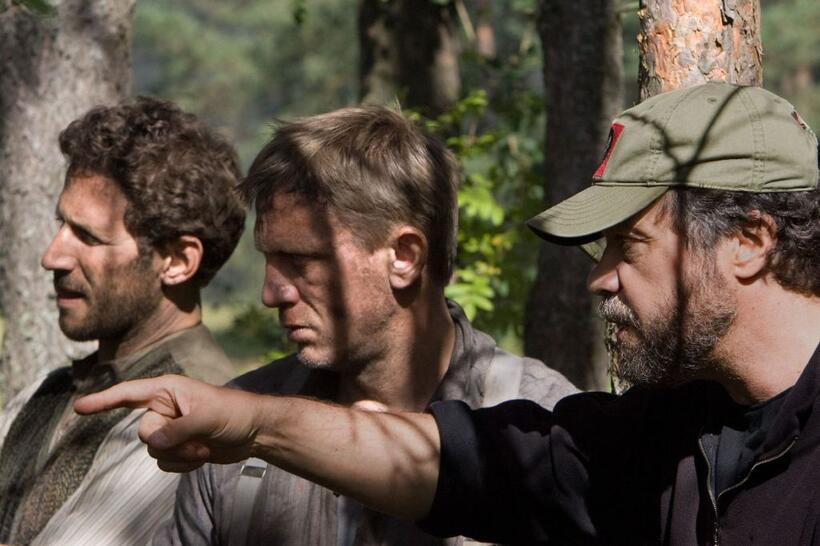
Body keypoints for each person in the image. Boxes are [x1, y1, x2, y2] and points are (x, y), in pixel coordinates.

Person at [77, 83, 820, 544]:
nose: (598, 280)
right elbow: (462, 462)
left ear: (749, 242)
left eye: (630, 243)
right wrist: (251, 424)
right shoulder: (669, 432)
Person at [153, 106, 578, 546]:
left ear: (405, 256)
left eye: (300, 261)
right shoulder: (238, 437)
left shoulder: (546, 431)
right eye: (268, 259)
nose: (271, 292)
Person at [0, 97, 246, 546]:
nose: (51, 256)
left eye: (88, 236)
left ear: (177, 261)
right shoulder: (44, 394)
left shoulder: (213, 425)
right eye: (62, 225)